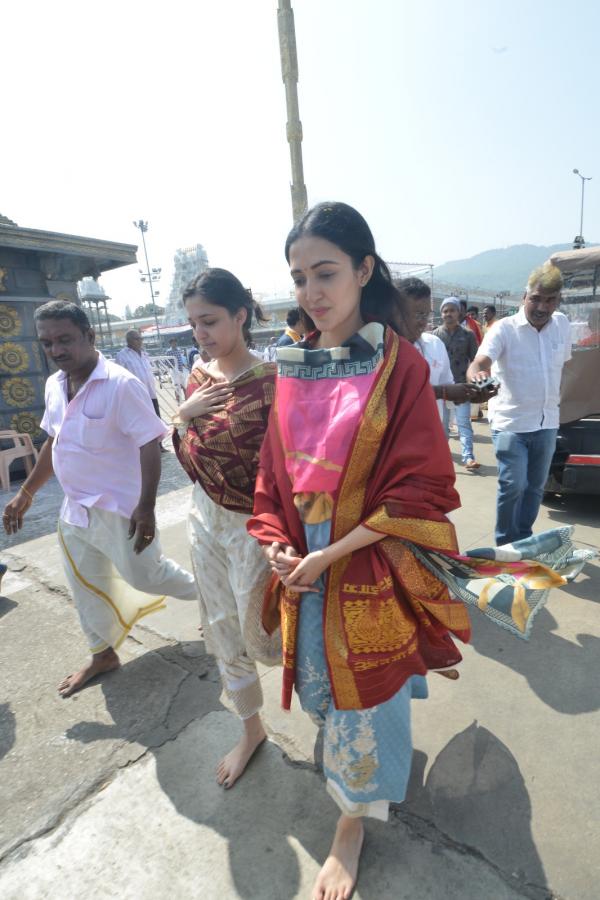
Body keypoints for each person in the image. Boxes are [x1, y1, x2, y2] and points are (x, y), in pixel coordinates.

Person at [247, 202, 475, 900]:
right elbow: (275, 470)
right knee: (323, 684)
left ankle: (352, 822)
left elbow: (419, 483)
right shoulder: (291, 364)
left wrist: (331, 553)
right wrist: (282, 541)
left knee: (368, 697)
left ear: (363, 269)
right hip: (307, 549)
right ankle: (353, 781)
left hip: (369, 548)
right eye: (299, 277)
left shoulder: (399, 364)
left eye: (326, 273)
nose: (312, 292)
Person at [2, 301, 198, 696]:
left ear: (89, 337)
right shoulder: (55, 384)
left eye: (65, 340)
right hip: (74, 510)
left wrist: (146, 509)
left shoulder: (121, 385)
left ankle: (214, 594)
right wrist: (25, 493)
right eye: (47, 342)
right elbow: (53, 441)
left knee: (148, 575)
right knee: (82, 583)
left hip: (120, 511)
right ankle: (102, 654)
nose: (56, 350)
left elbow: (149, 443)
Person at [172, 268, 278, 790]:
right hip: (203, 516)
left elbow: (280, 468)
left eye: (210, 321)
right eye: (193, 324)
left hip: (252, 525)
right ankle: (250, 727)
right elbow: (190, 456)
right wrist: (184, 416)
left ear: (240, 315)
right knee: (220, 625)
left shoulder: (273, 383)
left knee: (268, 629)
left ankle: (329, 712)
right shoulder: (197, 379)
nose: (201, 334)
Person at [467, 262, 571, 545]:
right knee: (513, 484)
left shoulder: (562, 325)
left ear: (557, 301)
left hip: (547, 422)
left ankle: (522, 540)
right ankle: (504, 545)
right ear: (524, 297)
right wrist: (479, 377)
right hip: (511, 423)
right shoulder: (503, 330)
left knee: (536, 487)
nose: (542, 306)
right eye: (536, 298)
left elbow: (562, 369)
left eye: (549, 300)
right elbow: (480, 361)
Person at [393, 278, 483, 422]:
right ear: (396, 312)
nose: (423, 321)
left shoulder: (435, 345)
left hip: (432, 431)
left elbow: (448, 384)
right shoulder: (381, 349)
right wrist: (442, 392)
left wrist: (470, 393)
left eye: (426, 314)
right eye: (417, 314)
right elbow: (393, 394)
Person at [433, 298, 480, 468]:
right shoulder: (434, 336)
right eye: (445, 311)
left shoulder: (468, 335)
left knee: (464, 424)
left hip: (461, 387)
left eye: (452, 310)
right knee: (442, 426)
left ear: (459, 312)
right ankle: (442, 458)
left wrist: (475, 383)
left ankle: (468, 457)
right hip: (442, 389)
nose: (448, 314)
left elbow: (475, 361)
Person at [115, 329, 166, 451]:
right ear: (129, 341)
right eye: (137, 339)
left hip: (151, 393)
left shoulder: (144, 354)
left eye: (141, 338)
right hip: (135, 396)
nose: (140, 341)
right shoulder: (122, 355)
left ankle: (159, 445)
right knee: (141, 422)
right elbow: (118, 376)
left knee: (155, 419)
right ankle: (144, 448)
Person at [167, 337, 189, 402]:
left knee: (184, 384)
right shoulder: (169, 351)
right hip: (174, 371)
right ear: (170, 344)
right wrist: (172, 368)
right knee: (177, 386)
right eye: (173, 342)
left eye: (175, 342)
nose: (175, 343)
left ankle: (187, 398)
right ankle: (178, 399)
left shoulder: (179, 350)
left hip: (181, 369)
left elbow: (180, 359)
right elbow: (167, 362)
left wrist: (184, 366)